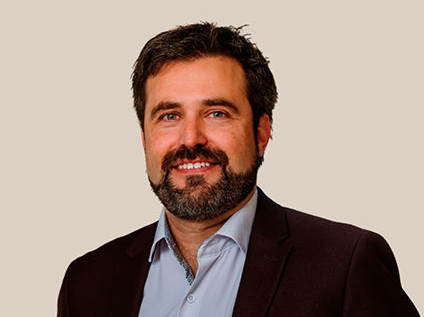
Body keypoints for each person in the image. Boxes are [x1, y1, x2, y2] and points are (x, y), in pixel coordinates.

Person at [57, 22, 420, 317]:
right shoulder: (87, 283)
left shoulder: (345, 265)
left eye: (217, 113)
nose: (191, 138)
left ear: (261, 134)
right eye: (169, 116)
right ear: (144, 136)